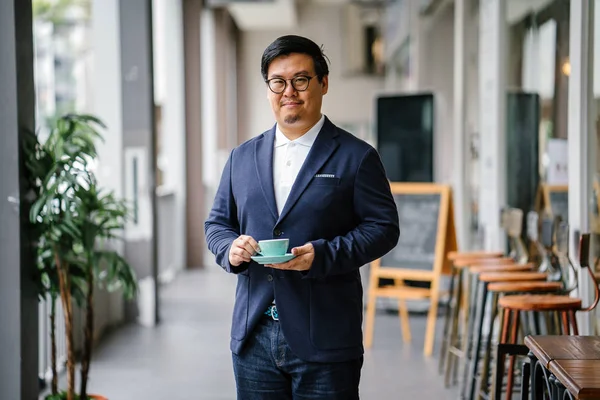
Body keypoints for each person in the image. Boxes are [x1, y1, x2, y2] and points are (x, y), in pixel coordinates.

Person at [204, 35, 400, 399]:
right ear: (268, 89)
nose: (288, 91)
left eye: (300, 79)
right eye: (278, 82)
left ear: (323, 83)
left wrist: (323, 254)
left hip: (326, 336)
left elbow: (384, 228)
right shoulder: (241, 158)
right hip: (253, 336)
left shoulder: (356, 156)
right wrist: (229, 247)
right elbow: (216, 224)